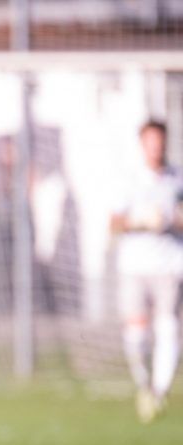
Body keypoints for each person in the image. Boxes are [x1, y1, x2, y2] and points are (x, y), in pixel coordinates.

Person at [110, 120, 183, 423]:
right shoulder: (129, 178)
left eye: (160, 142)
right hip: (135, 267)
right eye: (151, 143)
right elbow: (114, 222)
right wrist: (142, 221)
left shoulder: (176, 179)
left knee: (168, 327)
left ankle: (160, 389)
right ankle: (144, 383)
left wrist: (170, 221)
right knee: (136, 333)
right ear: (142, 144)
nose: (156, 148)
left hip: (168, 266)